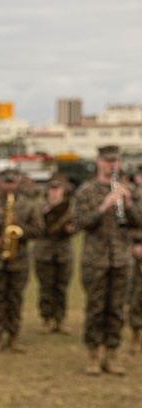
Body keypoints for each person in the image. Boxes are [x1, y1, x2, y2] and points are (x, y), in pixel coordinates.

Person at [71, 145, 141, 375]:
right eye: (106, 161)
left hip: (121, 258)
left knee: (117, 309)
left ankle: (112, 355)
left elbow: (139, 222)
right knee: (95, 309)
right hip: (95, 260)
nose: (111, 165)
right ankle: (93, 356)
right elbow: (79, 223)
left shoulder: (130, 189)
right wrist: (103, 207)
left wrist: (128, 205)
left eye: (115, 161)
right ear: (98, 162)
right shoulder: (86, 190)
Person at [0, 169, 44, 353]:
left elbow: (39, 230)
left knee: (15, 299)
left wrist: (21, 227)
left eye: (13, 182)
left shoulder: (29, 205)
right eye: (6, 182)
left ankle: (13, 336)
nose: (9, 186)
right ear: (0, 183)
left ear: (18, 183)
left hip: (19, 260)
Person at [34, 175, 75, 335]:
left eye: (57, 190)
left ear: (63, 192)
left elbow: (78, 223)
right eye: (52, 189)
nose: (54, 193)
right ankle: (46, 320)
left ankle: (60, 320)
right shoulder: (39, 207)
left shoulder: (70, 208)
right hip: (43, 252)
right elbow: (36, 227)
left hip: (64, 252)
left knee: (61, 287)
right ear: (47, 191)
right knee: (46, 287)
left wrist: (72, 228)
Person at [128, 166, 142, 354]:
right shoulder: (130, 198)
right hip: (136, 253)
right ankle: (136, 337)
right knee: (137, 297)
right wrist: (135, 244)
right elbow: (121, 225)